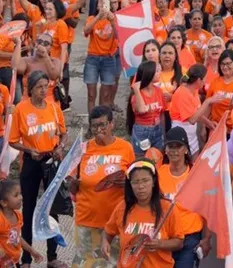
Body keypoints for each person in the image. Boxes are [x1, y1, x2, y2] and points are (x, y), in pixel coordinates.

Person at [8, 71, 67, 268]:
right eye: (40, 87)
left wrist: (60, 147)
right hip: (32, 161)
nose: (44, 90)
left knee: (51, 207)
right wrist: (28, 149)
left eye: (46, 86)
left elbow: (63, 133)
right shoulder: (21, 109)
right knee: (29, 208)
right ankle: (26, 259)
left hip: (51, 161)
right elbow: (13, 141)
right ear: (30, 89)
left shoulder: (53, 106)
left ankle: (52, 257)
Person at [70, 106, 135, 268]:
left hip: (116, 222)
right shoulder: (82, 149)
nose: (99, 130)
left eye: (103, 125)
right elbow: (72, 189)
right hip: (87, 220)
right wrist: (72, 183)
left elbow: (135, 181)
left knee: (114, 263)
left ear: (112, 124)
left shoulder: (126, 148)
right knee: (88, 264)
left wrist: (126, 182)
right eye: (94, 126)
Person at [102, 159, 184, 267]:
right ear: (130, 184)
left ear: (153, 181)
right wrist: (105, 242)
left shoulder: (168, 208)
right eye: (136, 182)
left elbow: (179, 242)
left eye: (145, 180)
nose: (141, 186)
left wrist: (160, 244)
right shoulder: (123, 207)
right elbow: (108, 232)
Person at [158, 127, 211, 267]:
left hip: (189, 240)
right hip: (164, 240)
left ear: (186, 149)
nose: (174, 150)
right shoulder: (158, 174)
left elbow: (207, 210)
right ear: (166, 150)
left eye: (179, 146)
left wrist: (206, 238)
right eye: (171, 146)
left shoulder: (196, 175)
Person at [170, 64, 220, 156]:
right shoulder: (182, 93)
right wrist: (208, 101)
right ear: (198, 80)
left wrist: (209, 124)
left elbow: (197, 112)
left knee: (195, 161)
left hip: (192, 135)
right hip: (181, 134)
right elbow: (192, 119)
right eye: (205, 79)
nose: (206, 81)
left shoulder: (194, 90)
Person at [83, 0, 119, 112]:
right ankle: (91, 123)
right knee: (91, 94)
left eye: (106, 3)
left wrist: (112, 20)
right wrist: (98, 17)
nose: (103, 5)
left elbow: (119, 36)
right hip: (92, 58)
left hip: (108, 59)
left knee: (105, 94)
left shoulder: (115, 19)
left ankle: (102, 121)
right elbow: (86, 31)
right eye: (100, 3)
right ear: (97, 6)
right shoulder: (91, 18)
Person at [0, 180, 43, 266]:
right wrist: (5, 258)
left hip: (14, 262)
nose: (21, 197)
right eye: (16, 195)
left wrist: (32, 251)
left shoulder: (18, 216)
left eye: (20, 194)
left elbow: (17, 238)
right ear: (4, 203)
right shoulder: (1, 220)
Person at [129, 61, 166, 157]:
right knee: (141, 160)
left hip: (157, 129)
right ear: (149, 73)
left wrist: (163, 132)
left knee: (158, 158)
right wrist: (137, 90)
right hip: (142, 131)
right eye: (157, 71)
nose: (160, 73)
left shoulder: (158, 91)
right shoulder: (137, 94)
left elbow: (161, 113)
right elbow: (141, 109)